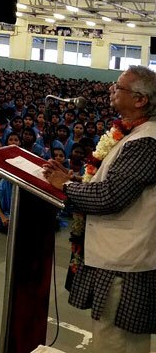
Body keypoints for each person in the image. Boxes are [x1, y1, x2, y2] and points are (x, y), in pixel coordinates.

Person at [43, 66, 156, 353]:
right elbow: (111, 183)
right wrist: (74, 181)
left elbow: (110, 196)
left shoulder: (146, 142)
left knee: (116, 343)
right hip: (117, 256)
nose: (111, 90)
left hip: (125, 263)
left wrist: (65, 187)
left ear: (141, 100)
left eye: (118, 87)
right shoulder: (133, 135)